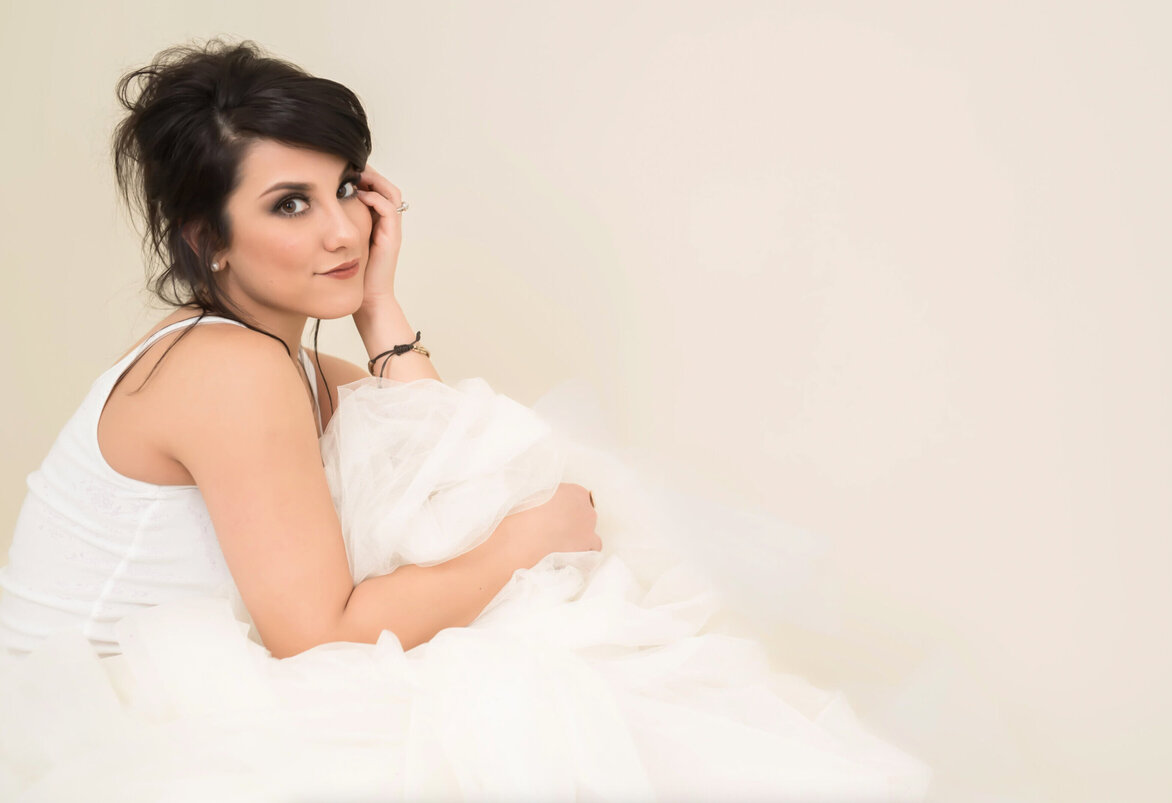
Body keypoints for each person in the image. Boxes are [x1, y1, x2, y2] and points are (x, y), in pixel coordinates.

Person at [0, 38, 933, 801]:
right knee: (541, 700)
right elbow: (321, 634)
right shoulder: (226, 368)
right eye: (291, 204)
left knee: (554, 672)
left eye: (348, 191)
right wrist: (525, 544)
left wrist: (380, 309)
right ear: (210, 240)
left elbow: (455, 470)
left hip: (191, 692)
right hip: (111, 725)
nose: (340, 231)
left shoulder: (273, 359)